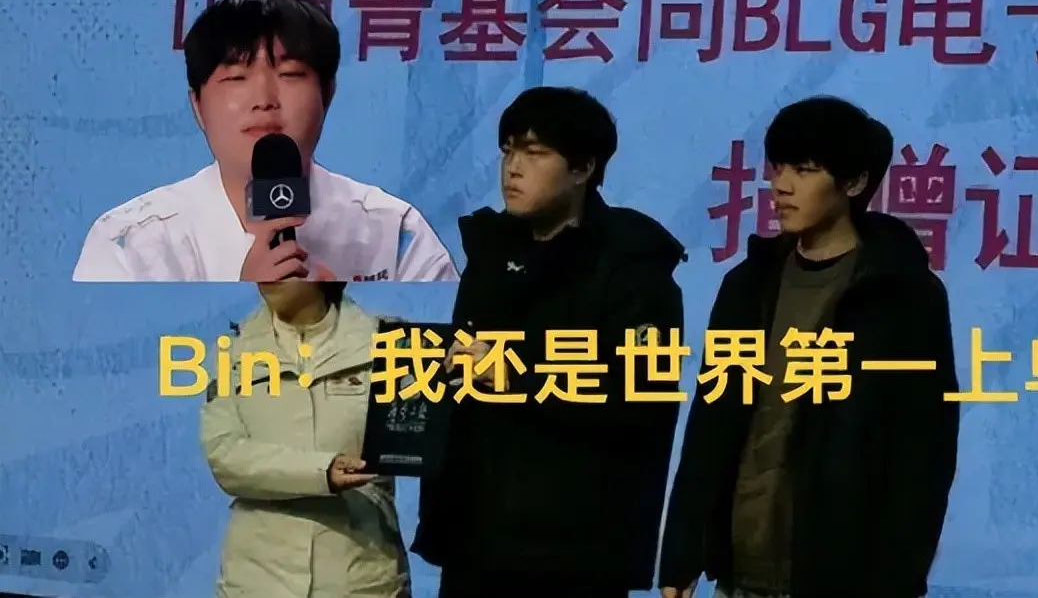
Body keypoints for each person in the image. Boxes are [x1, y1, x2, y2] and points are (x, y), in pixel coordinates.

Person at [658, 96, 961, 598]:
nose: (782, 185)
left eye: (805, 170)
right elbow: (710, 425)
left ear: (854, 183)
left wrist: (897, 580)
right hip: (740, 571)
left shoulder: (903, 296)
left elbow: (923, 455)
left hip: (843, 579)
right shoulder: (748, 285)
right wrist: (682, 551)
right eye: (778, 167)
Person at [411, 86, 686, 598]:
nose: (513, 168)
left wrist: (518, 375)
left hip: (573, 554)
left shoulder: (635, 269)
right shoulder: (490, 253)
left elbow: (642, 398)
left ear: (583, 168)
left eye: (535, 152)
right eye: (507, 150)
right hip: (475, 541)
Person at [73, 0, 457, 283]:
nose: (264, 100)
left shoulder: (395, 233)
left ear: (327, 94)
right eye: (236, 78)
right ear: (198, 106)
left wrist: (345, 322)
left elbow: (460, 354)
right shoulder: (128, 243)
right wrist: (243, 304)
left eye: (289, 74)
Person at [200, 280, 410, 598]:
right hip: (257, 580)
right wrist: (322, 471)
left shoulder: (390, 341)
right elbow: (225, 456)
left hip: (362, 577)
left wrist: (466, 375)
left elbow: (432, 433)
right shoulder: (232, 352)